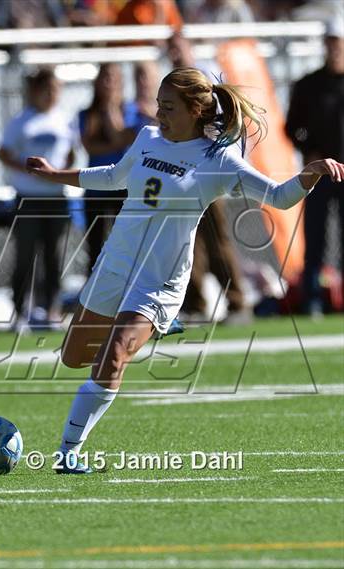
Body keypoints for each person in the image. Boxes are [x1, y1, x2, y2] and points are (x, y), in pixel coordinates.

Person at [27, 67, 343, 473]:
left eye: (169, 107)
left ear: (196, 110)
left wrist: (308, 175)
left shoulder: (218, 160)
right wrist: (56, 175)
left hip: (159, 280)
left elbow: (279, 198)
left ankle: (68, 451)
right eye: (159, 104)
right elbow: (111, 177)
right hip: (115, 264)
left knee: (113, 357)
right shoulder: (146, 139)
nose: (159, 113)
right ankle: (156, 327)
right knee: (74, 358)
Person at [167, 32, 249, 323]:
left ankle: (238, 302)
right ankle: (196, 304)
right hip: (184, 173)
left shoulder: (206, 79)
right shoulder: (175, 83)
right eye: (171, 49)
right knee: (188, 242)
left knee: (217, 240)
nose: (175, 54)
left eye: (178, 48)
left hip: (208, 171)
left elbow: (224, 125)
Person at [0, 67, 78, 329]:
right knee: (25, 256)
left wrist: (60, 172)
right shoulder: (21, 121)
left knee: (55, 256)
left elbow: (71, 153)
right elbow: (3, 153)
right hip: (28, 198)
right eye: (48, 89)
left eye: (56, 89)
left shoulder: (64, 120)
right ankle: (20, 311)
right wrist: (29, 170)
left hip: (56, 197)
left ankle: (53, 309)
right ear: (36, 91)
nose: (53, 95)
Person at [285, 18, 344, 316]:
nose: (334, 48)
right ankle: (312, 300)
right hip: (320, 173)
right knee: (315, 238)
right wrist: (309, 151)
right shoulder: (309, 85)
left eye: (339, 42)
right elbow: (292, 127)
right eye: (331, 42)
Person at [79, 63, 138, 272]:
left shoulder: (130, 110)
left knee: (124, 245)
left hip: (123, 188)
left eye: (113, 78)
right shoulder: (86, 114)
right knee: (95, 247)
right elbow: (90, 147)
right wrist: (114, 142)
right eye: (104, 78)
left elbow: (122, 138)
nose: (108, 84)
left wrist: (111, 109)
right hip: (96, 188)